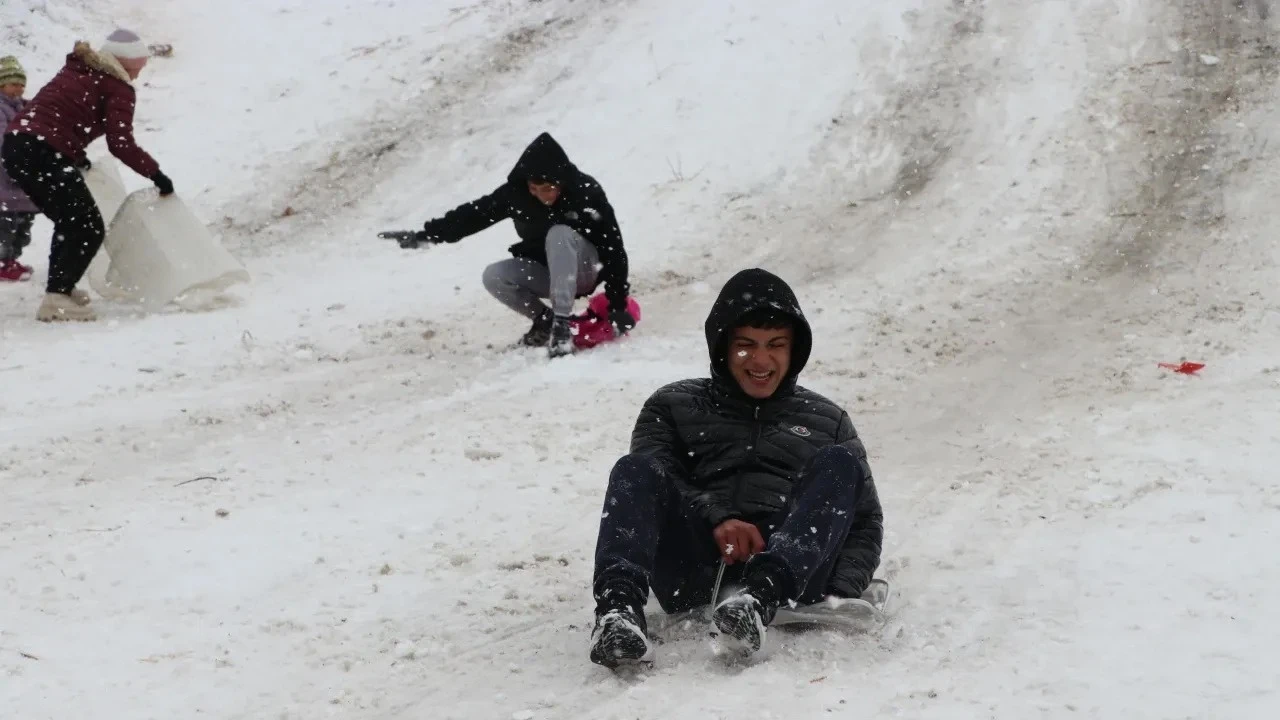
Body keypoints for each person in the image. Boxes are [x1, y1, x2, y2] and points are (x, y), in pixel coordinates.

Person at [587, 268, 885, 667]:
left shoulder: (828, 420)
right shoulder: (672, 405)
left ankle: (756, 602)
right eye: (746, 345)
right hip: (692, 570)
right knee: (635, 469)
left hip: (788, 578)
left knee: (839, 465)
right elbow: (658, 475)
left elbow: (864, 520)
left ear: (793, 350)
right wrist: (717, 518)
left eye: (776, 345)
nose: (761, 360)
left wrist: (840, 589)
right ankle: (617, 613)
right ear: (723, 347)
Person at [380, 132, 635, 358]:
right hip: (549, 272)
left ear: (561, 182)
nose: (539, 195)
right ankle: (545, 321)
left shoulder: (585, 192)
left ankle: (561, 325)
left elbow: (614, 246)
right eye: (533, 188)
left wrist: (618, 304)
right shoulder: (517, 195)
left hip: (585, 268)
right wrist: (426, 235)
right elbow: (474, 215)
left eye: (547, 189)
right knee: (494, 275)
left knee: (560, 234)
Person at [1, 29, 174, 322]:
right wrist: (156, 174)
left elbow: (58, 114)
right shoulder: (116, 85)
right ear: (124, 62)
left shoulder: (78, 70)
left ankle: (61, 291)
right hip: (43, 151)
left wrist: (75, 155)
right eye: (138, 67)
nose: (137, 75)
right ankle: (57, 296)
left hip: (19, 145)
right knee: (86, 225)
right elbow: (121, 143)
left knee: (73, 221)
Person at [0, 55, 38, 282]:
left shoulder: (24, 107)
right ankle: (4, 262)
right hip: (5, 179)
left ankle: (12, 259)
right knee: (6, 226)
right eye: (13, 84)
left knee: (23, 224)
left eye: (21, 85)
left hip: (22, 179)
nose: (18, 89)